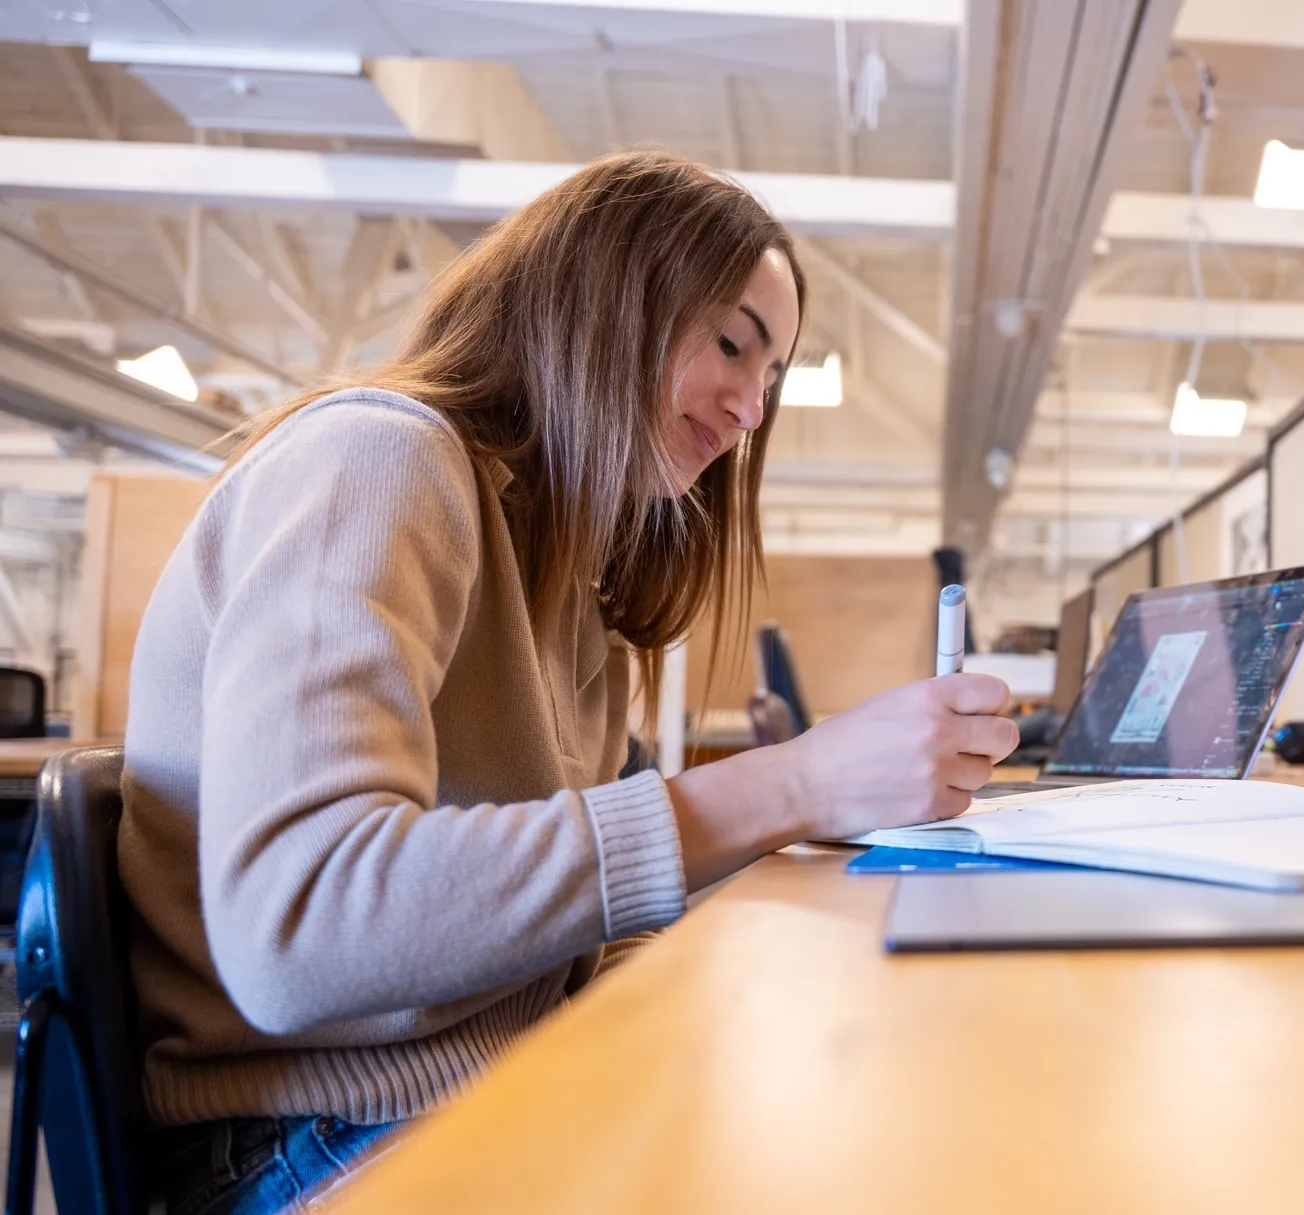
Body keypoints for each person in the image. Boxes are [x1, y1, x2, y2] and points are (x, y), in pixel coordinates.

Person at [119, 152, 1019, 1215]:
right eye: (731, 345)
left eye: (770, 380)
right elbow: (299, 928)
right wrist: (790, 788)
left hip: (477, 1079)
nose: (748, 413)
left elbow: (567, 930)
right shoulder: (377, 460)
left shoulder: (566, 565)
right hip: (308, 1139)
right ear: (603, 302)